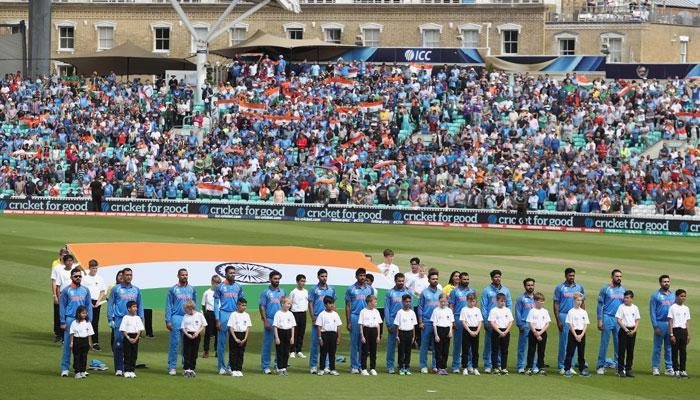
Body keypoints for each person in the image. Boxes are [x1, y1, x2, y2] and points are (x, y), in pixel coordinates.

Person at [107, 268, 144, 377]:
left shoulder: (136, 289)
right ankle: (119, 368)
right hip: (120, 319)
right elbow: (110, 304)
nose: (129, 277)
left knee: (132, 345)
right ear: (122, 276)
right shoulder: (116, 289)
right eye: (127, 275)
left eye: (130, 275)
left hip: (133, 320)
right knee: (118, 344)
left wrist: (141, 319)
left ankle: (129, 368)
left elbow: (140, 305)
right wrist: (110, 319)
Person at [59, 267, 92, 377]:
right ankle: (65, 368)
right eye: (76, 276)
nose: (78, 278)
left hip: (83, 320)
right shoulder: (66, 290)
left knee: (83, 345)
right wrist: (62, 321)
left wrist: (89, 320)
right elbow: (62, 306)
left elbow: (88, 306)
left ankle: (82, 369)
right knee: (69, 345)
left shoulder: (85, 290)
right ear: (71, 277)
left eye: (80, 276)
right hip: (70, 319)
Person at [166, 268, 198, 376]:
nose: (184, 276)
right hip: (176, 318)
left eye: (186, 275)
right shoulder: (173, 289)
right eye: (182, 275)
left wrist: (196, 318)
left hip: (188, 318)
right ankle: (172, 366)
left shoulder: (191, 289)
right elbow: (168, 305)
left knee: (187, 344)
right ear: (178, 276)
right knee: (175, 343)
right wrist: (168, 320)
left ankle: (187, 366)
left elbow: (195, 305)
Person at [553, 268, 585, 374]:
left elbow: (582, 302)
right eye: (570, 275)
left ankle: (570, 364)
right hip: (564, 315)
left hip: (576, 316)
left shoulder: (579, 287)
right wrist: (558, 320)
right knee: (564, 342)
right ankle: (562, 365)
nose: (572, 277)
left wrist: (583, 317)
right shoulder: (560, 288)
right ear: (565, 276)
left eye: (573, 275)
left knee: (574, 341)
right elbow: (556, 304)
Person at [215, 266, 244, 374]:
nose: (233, 274)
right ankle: (221, 367)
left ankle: (231, 365)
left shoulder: (238, 287)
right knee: (221, 343)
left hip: (235, 316)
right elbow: (216, 304)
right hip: (223, 315)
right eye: (230, 273)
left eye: (234, 273)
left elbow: (241, 302)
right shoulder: (220, 287)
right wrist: (217, 319)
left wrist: (242, 316)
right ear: (225, 274)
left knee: (234, 343)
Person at [481, 269, 512, 373]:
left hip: (503, 322)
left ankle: (499, 365)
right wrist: (485, 321)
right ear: (492, 278)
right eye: (495, 277)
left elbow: (509, 305)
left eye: (499, 277)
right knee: (489, 344)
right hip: (491, 321)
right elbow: (484, 306)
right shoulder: (486, 290)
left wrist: (508, 319)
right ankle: (488, 365)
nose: (497, 278)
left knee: (501, 345)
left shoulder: (506, 290)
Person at [596, 269, 626, 375]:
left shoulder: (623, 290)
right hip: (607, 317)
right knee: (604, 342)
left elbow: (625, 306)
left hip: (619, 319)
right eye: (617, 276)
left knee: (619, 343)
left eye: (620, 276)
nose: (619, 278)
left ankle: (619, 366)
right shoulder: (605, 289)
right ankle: (600, 365)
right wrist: (599, 320)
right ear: (612, 277)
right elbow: (600, 305)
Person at [308, 269, 336, 374]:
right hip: (318, 319)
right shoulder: (313, 289)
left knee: (328, 344)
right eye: (322, 276)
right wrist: (313, 317)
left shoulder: (331, 289)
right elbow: (310, 303)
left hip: (328, 319)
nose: (324, 278)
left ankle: (327, 366)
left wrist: (334, 315)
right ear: (318, 277)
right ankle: (313, 366)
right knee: (315, 343)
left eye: (325, 276)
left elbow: (334, 304)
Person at [345, 268, 373, 374]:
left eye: (364, 275)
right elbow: (348, 306)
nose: (362, 277)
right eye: (360, 275)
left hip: (366, 317)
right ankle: (354, 366)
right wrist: (348, 322)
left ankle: (362, 365)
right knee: (354, 343)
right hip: (355, 316)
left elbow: (371, 304)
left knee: (364, 342)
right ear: (356, 276)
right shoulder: (351, 289)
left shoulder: (369, 289)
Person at [384, 272, 412, 374]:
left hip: (405, 325)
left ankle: (404, 365)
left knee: (404, 346)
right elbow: (386, 308)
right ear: (395, 281)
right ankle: (390, 366)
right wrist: (388, 323)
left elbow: (411, 308)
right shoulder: (390, 293)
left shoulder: (408, 293)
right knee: (391, 345)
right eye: (399, 281)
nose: (401, 283)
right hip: (393, 322)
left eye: (402, 281)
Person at [448, 271, 475, 373]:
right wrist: (452, 321)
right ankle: (455, 365)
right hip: (458, 318)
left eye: (467, 279)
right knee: (458, 343)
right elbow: (451, 306)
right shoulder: (455, 291)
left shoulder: (472, 291)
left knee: (470, 344)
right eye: (464, 279)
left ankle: (469, 365)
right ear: (460, 279)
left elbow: (474, 306)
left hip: (470, 320)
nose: (466, 281)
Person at [260, 270, 285, 374]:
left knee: (280, 344)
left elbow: (285, 306)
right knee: (267, 344)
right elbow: (262, 306)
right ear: (270, 279)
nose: (277, 281)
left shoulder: (283, 292)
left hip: (281, 321)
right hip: (270, 320)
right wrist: (265, 321)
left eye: (278, 279)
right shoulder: (265, 292)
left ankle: (278, 365)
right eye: (275, 279)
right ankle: (265, 366)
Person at [650, 274, 675, 376]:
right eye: (664, 282)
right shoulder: (655, 295)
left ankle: (669, 367)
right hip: (660, 323)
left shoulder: (673, 295)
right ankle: (655, 367)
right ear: (660, 283)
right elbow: (652, 312)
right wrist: (655, 326)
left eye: (668, 281)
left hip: (670, 324)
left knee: (669, 347)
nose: (666, 283)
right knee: (657, 347)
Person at [563, 292, 592, 377]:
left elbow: (585, 324)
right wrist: (575, 335)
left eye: (581, 300)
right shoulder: (571, 312)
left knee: (581, 352)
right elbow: (570, 324)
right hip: (573, 333)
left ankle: (582, 369)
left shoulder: (584, 312)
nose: (579, 302)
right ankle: (567, 369)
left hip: (581, 334)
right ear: (574, 300)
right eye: (578, 300)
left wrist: (581, 334)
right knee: (570, 352)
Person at [418, 269, 441, 373]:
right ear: (429, 280)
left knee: (437, 345)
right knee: (425, 345)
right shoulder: (424, 293)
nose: (435, 280)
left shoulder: (440, 293)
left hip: (438, 323)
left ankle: (435, 365)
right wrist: (421, 321)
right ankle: (423, 365)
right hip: (426, 322)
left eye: (436, 279)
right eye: (433, 279)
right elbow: (420, 308)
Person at [81, 259, 106, 351]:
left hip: (97, 302)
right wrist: (89, 302)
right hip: (87, 302)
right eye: (93, 268)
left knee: (95, 323)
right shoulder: (85, 278)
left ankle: (95, 342)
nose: (94, 270)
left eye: (96, 268)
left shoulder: (100, 278)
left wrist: (98, 302)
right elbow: (83, 291)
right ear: (89, 268)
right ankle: (85, 342)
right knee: (86, 322)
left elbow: (102, 291)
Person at [615, 290, 640, 378]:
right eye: (625, 297)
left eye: (627, 298)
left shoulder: (635, 308)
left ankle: (628, 369)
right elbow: (618, 320)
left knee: (630, 351)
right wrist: (626, 330)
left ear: (632, 299)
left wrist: (634, 330)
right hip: (623, 330)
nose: (625, 299)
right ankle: (620, 370)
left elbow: (637, 320)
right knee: (622, 351)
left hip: (632, 330)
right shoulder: (621, 307)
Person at [488, 293, 514, 375]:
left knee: (504, 350)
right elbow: (492, 322)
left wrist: (506, 331)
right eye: (501, 301)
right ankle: (495, 367)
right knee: (495, 350)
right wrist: (499, 331)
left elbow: (511, 321)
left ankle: (504, 368)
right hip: (496, 331)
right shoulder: (493, 310)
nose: (503, 303)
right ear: (497, 301)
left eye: (504, 301)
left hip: (506, 332)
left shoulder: (507, 310)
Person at [315, 296, 342, 376]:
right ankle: (321, 369)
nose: (332, 305)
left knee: (332, 353)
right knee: (323, 352)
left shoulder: (335, 314)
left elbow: (339, 326)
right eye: (330, 304)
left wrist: (338, 337)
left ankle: (332, 369)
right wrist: (320, 338)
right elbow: (319, 327)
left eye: (332, 303)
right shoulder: (322, 314)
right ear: (325, 305)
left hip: (333, 335)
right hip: (324, 335)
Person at [525, 292, 550, 375]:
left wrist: (540, 333)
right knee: (531, 350)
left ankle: (540, 367)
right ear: (535, 301)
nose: (542, 302)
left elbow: (547, 323)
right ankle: (529, 367)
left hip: (542, 332)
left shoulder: (545, 311)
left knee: (541, 351)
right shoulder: (532, 311)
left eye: (543, 301)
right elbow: (530, 323)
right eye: (540, 301)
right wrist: (536, 333)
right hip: (533, 332)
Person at [51, 253, 74, 343]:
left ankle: (68, 335)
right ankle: (60, 335)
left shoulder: (75, 270)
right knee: (61, 315)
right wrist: (56, 296)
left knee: (70, 314)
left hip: (73, 295)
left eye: (71, 260)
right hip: (63, 295)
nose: (69, 262)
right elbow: (57, 285)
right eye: (67, 260)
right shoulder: (58, 270)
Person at [181, 300, 207, 378]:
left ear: (191, 308)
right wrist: (187, 334)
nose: (186, 311)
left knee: (194, 352)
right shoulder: (185, 316)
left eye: (187, 310)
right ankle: (186, 369)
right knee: (187, 352)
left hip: (196, 335)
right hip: (188, 335)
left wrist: (197, 332)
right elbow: (183, 327)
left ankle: (192, 369)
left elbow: (203, 325)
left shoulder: (199, 315)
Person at [119, 300, 145, 379]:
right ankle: (126, 370)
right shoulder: (125, 317)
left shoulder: (137, 318)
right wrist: (128, 338)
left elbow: (140, 329)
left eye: (136, 307)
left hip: (135, 337)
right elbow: (123, 330)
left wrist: (136, 338)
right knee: (127, 354)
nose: (136, 308)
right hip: (128, 337)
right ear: (129, 308)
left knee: (134, 354)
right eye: (134, 307)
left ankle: (132, 370)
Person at [668, 289, 690, 378]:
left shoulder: (686, 308)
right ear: (677, 297)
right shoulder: (673, 307)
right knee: (675, 351)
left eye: (684, 296)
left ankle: (682, 370)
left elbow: (687, 322)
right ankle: (676, 370)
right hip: (675, 330)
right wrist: (671, 334)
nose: (683, 298)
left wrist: (688, 334)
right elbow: (670, 321)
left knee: (683, 352)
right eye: (681, 296)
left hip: (684, 331)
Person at [516, 278, 536, 374]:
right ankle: (521, 366)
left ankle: (533, 365)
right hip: (525, 325)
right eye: (528, 285)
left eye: (532, 285)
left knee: (533, 347)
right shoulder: (521, 298)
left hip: (535, 326)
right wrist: (520, 325)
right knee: (522, 347)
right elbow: (518, 312)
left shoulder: (537, 298)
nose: (530, 287)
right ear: (525, 286)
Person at [227, 298, 252, 377]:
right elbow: (230, 327)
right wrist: (235, 338)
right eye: (242, 305)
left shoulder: (247, 315)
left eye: (245, 305)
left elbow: (248, 327)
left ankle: (239, 369)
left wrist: (245, 338)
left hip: (243, 335)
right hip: (235, 335)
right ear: (238, 305)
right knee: (234, 352)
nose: (244, 307)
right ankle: (233, 369)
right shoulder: (233, 314)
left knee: (241, 353)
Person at [359, 294, 382, 376]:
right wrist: (362, 336)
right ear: (369, 302)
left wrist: (378, 336)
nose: (376, 304)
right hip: (366, 330)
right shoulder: (363, 311)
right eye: (374, 302)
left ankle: (372, 368)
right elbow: (361, 324)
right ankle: (363, 368)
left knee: (373, 351)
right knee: (365, 350)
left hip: (374, 331)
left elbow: (378, 325)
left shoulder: (376, 311)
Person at [459, 293, 482, 375]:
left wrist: (477, 331)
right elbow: (463, 322)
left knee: (475, 350)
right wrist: (470, 331)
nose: (472, 303)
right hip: (467, 330)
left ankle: (475, 367)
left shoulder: (477, 310)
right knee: (465, 349)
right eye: (470, 301)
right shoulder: (464, 309)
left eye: (473, 301)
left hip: (476, 330)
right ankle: (464, 367)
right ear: (467, 300)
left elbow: (480, 322)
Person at [431, 293, 454, 376]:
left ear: (447, 301)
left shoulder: (449, 310)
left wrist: (450, 331)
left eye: (444, 301)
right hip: (439, 330)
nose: (443, 303)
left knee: (445, 350)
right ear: (439, 301)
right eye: (441, 301)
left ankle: (444, 368)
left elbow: (451, 322)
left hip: (447, 330)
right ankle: (438, 367)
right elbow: (434, 324)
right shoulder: (436, 310)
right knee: (438, 351)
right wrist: (436, 335)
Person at [394, 294, 417, 375]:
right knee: (401, 351)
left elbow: (414, 325)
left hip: (410, 333)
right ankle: (401, 367)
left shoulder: (412, 313)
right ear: (403, 302)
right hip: (402, 333)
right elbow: (397, 325)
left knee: (408, 351)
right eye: (406, 301)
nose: (408, 303)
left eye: (409, 302)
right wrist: (397, 335)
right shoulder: (400, 312)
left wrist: (414, 336)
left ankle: (407, 367)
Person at [273, 296, 296, 376]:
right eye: (288, 303)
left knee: (286, 352)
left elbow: (293, 326)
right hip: (280, 333)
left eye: (290, 304)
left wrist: (292, 337)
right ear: (282, 304)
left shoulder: (290, 314)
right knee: (280, 351)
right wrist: (276, 337)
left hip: (288, 333)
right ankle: (279, 368)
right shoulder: (278, 313)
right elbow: (275, 326)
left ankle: (284, 368)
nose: (289, 305)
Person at [69, 305, 93, 379]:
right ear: (79, 313)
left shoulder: (88, 323)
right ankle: (77, 372)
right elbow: (72, 333)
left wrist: (89, 343)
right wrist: (71, 342)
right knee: (77, 357)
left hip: (85, 341)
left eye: (85, 313)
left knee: (84, 357)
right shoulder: (74, 323)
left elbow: (89, 334)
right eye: (83, 313)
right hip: (77, 340)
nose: (84, 315)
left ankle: (83, 371)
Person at [201, 275, 221, 358]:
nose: (218, 285)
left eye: (219, 283)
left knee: (218, 333)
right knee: (208, 333)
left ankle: (217, 350)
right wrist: (205, 316)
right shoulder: (206, 292)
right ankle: (206, 351)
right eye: (216, 282)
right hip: (209, 314)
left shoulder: (221, 292)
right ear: (212, 282)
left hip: (219, 313)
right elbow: (203, 305)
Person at [289, 274, 308, 359]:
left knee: (301, 333)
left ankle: (299, 350)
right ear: (297, 282)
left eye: (304, 281)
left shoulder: (306, 292)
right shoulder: (293, 292)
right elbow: (290, 304)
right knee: (294, 333)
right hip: (295, 313)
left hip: (303, 313)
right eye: (301, 281)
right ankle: (292, 350)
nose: (303, 283)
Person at [107, 270, 123, 352]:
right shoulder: (112, 287)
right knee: (115, 334)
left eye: (122, 275)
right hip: (114, 315)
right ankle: (115, 350)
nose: (120, 276)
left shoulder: (128, 288)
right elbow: (109, 301)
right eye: (119, 275)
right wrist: (110, 317)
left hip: (124, 315)